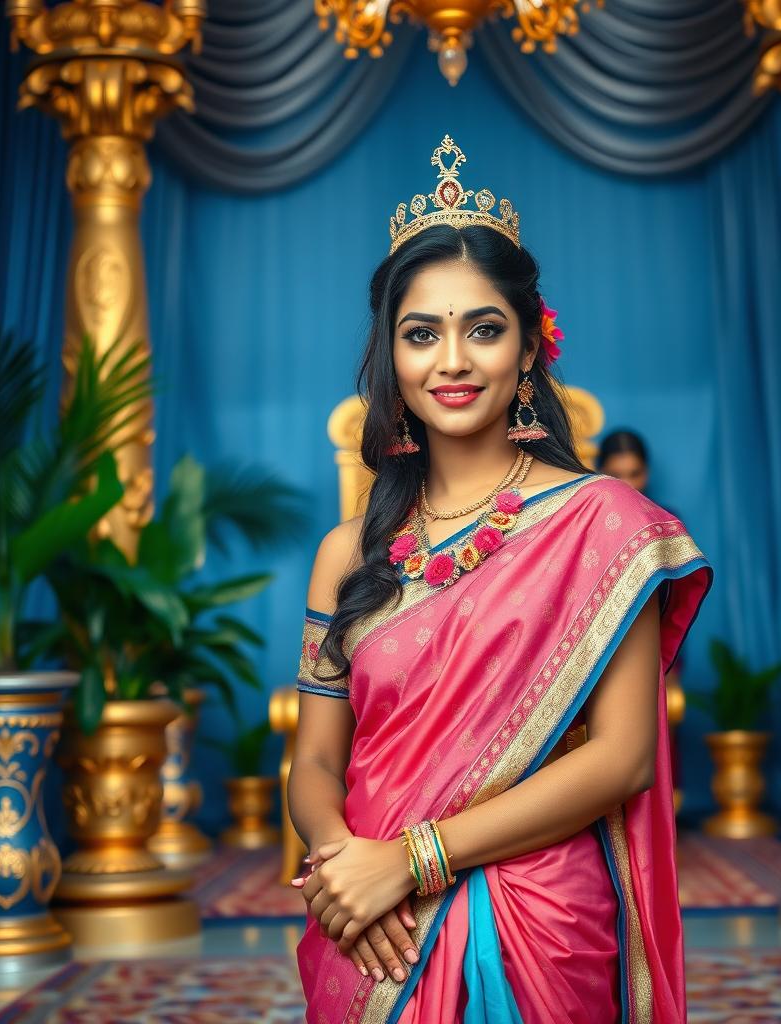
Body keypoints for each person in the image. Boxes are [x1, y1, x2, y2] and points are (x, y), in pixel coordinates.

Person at [287, 135, 711, 1024]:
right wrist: (343, 870)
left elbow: (624, 757)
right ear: (391, 360)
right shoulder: (347, 553)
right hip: (372, 923)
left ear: (526, 350)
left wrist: (412, 861)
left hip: (540, 917)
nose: (452, 360)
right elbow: (319, 759)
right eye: (420, 333)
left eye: (483, 328)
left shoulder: (605, 526)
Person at [598, 430, 650, 495]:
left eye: (635, 474)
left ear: (646, 472)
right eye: (615, 476)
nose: (628, 486)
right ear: (600, 473)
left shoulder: (657, 506)